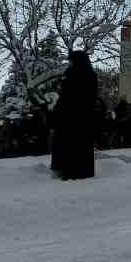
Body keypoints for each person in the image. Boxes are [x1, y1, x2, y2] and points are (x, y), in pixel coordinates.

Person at [50, 50, 99, 180]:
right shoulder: (91, 76)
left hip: (69, 117)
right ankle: (82, 171)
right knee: (82, 146)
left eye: (71, 60)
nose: (69, 63)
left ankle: (67, 171)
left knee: (68, 145)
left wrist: (57, 112)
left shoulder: (72, 75)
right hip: (84, 119)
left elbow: (66, 97)